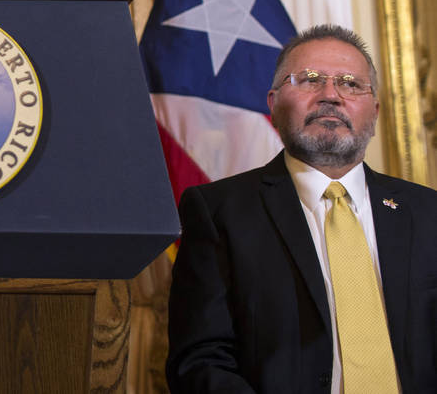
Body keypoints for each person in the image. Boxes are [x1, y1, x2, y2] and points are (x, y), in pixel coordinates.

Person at [167, 24, 437, 393]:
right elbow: (199, 360)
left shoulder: (428, 212)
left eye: (350, 83)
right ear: (274, 104)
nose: (331, 95)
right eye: (309, 80)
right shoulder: (218, 212)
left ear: (374, 111)